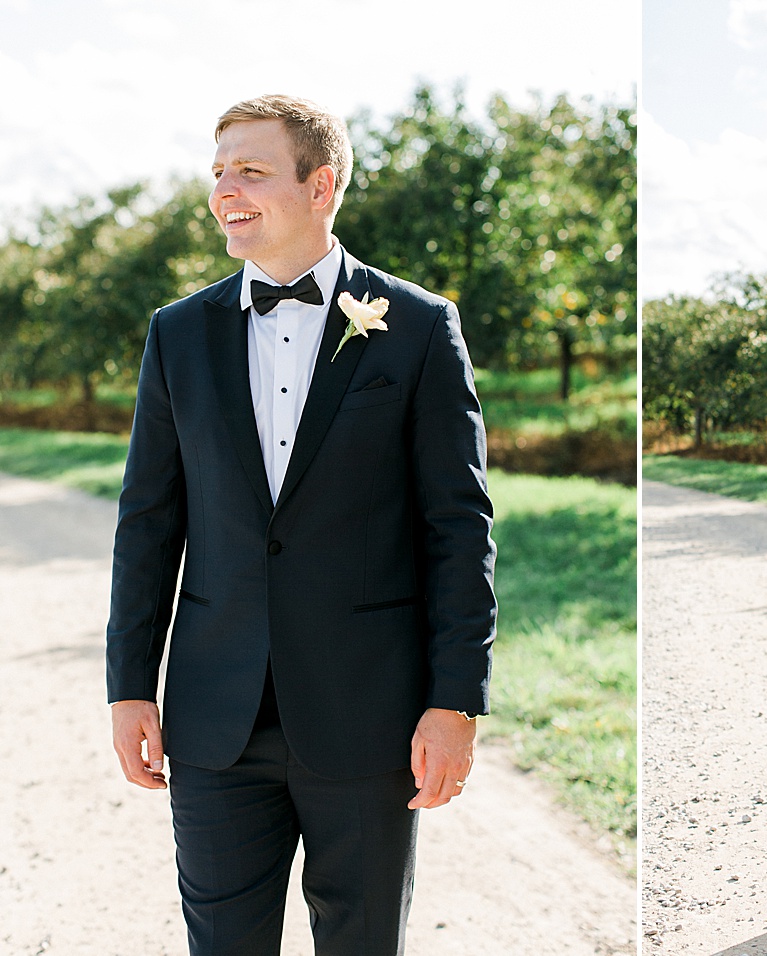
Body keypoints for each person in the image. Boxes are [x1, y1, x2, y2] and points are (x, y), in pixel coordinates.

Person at [106, 94, 497, 955]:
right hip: (214, 722)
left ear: (321, 185)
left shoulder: (420, 327)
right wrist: (129, 682)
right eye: (217, 172)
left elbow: (459, 528)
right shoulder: (176, 334)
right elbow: (147, 521)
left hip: (369, 717)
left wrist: (455, 700)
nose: (224, 190)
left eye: (250, 170)